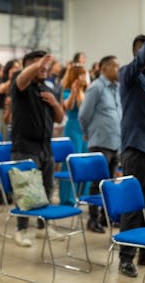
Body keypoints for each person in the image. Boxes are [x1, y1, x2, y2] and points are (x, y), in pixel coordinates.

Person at [116, 23, 145, 278]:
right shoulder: (129, 75)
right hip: (136, 151)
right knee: (133, 208)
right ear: (142, 53)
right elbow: (144, 57)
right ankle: (126, 258)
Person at [10, 51, 65, 247]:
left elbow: (59, 118)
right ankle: (21, 229)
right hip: (25, 147)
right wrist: (37, 64)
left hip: (45, 147)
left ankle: (43, 227)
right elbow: (23, 78)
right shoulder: (19, 83)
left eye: (45, 64)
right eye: (38, 64)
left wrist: (55, 103)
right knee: (25, 192)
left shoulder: (46, 89)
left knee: (48, 189)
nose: (43, 67)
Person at [78, 55, 121, 234]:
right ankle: (93, 219)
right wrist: (88, 133)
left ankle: (106, 216)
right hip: (99, 142)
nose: (118, 70)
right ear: (104, 68)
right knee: (97, 183)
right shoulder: (96, 87)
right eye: (115, 67)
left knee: (110, 182)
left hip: (115, 142)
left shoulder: (117, 88)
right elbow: (83, 114)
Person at [58, 64, 89, 206]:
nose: (85, 77)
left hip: (85, 129)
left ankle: (84, 195)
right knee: (72, 163)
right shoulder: (66, 91)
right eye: (82, 74)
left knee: (86, 163)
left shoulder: (88, 91)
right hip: (73, 128)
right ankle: (68, 198)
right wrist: (74, 92)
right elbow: (68, 107)